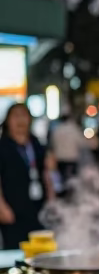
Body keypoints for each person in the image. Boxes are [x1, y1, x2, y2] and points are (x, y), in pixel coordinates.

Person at [0, 103, 56, 249]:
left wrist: (51, 198)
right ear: (8, 121)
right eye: (15, 116)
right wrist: (1, 206)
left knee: (41, 248)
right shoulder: (3, 146)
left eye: (24, 115)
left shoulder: (36, 143)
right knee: (15, 249)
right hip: (12, 207)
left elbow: (45, 172)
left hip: (38, 205)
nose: (20, 120)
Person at [51, 112, 87, 192]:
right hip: (72, 158)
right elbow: (81, 143)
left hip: (60, 158)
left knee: (62, 180)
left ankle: (64, 195)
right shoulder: (74, 129)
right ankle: (71, 196)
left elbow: (53, 144)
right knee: (73, 181)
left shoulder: (57, 129)